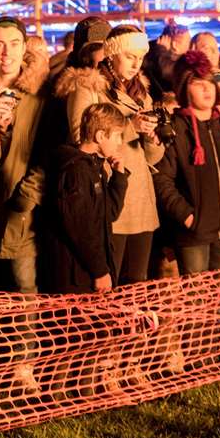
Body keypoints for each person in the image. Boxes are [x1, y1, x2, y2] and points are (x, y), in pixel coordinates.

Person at [54, 26, 165, 285]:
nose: (136, 64)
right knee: (109, 283)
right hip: (109, 195)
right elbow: (81, 138)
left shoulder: (141, 94)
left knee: (138, 281)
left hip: (140, 198)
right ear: (112, 54)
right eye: (129, 56)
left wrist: (152, 138)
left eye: (140, 58)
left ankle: (134, 328)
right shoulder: (88, 89)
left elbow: (151, 157)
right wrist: (131, 127)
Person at [152, 52, 220, 275]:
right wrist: (187, 217)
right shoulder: (176, 129)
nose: (207, 89)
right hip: (193, 233)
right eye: (198, 83)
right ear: (184, 89)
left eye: (209, 82)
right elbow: (162, 179)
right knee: (197, 299)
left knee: (219, 298)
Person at [0, 17, 49, 293]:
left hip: (22, 211)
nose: (6, 53)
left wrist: (28, 195)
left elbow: (48, 151)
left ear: (24, 47)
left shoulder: (40, 94)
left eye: (14, 44)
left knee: (25, 289)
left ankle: (27, 339)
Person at [43, 102, 129, 294]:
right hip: (75, 276)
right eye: (117, 136)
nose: (119, 142)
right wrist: (99, 271)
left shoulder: (95, 167)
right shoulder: (76, 170)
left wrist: (119, 177)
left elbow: (110, 214)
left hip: (88, 271)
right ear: (100, 136)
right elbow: (80, 227)